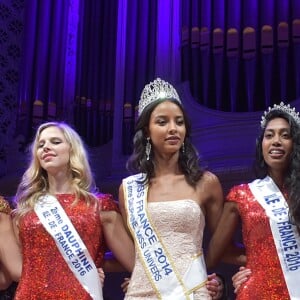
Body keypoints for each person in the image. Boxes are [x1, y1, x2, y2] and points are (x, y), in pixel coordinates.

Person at [118, 78, 224, 299]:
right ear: (147, 131)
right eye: (162, 122)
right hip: (142, 293)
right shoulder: (129, 189)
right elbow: (136, 251)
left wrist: (217, 280)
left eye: (179, 121)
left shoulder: (206, 182)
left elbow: (221, 246)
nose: (173, 129)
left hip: (191, 291)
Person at [9, 121, 134, 299]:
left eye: (55, 142)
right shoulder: (26, 208)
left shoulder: (99, 206)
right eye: (41, 144)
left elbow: (135, 263)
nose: (46, 148)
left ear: (72, 150)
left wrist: (93, 268)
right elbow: (22, 265)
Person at [206, 102, 300, 299]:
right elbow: (214, 255)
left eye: (285, 135)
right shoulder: (243, 195)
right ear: (261, 144)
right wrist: (259, 259)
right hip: (258, 292)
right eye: (269, 135)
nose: (276, 141)